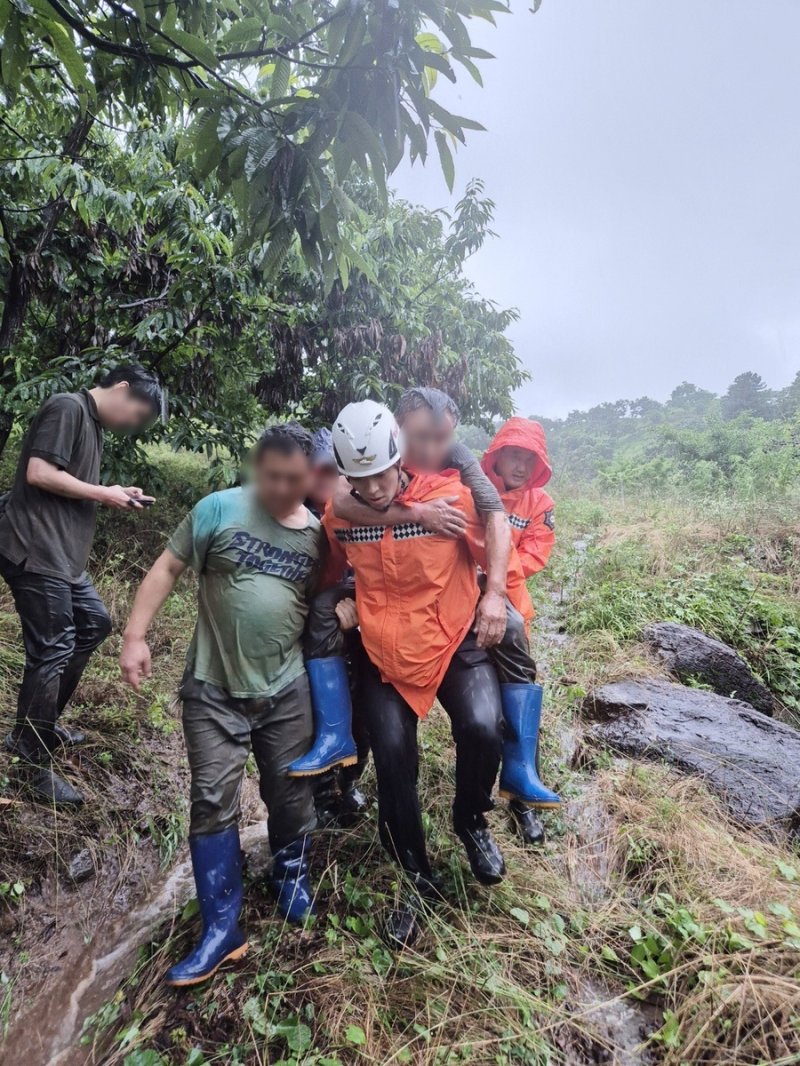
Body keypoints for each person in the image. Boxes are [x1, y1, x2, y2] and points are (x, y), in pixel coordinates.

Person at [308, 399, 524, 948]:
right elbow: (331, 557)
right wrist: (338, 602)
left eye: (382, 472)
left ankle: (471, 820)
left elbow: (497, 527)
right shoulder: (343, 514)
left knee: (481, 726)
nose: (375, 487)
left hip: (451, 637)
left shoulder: (447, 497)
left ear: (400, 456)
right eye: (361, 477)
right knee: (393, 759)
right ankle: (416, 876)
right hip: (385, 650)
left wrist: (494, 595)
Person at [119, 424, 322, 987]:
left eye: (293, 478)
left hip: (286, 689)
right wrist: (136, 636)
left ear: (309, 474)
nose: (282, 487)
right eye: (272, 475)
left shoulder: (317, 536)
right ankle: (221, 925)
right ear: (259, 467)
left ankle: (290, 874)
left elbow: (326, 602)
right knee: (211, 797)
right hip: (212, 688)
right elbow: (166, 568)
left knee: (289, 790)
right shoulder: (217, 509)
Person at [0, 364, 163, 805]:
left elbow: (69, 481)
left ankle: (38, 728)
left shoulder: (93, 426)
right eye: (136, 413)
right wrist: (102, 493)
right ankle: (30, 764)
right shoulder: (67, 408)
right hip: (36, 549)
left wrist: (113, 490)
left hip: (63, 558)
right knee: (52, 647)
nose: (133, 423)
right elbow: (38, 472)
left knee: (94, 622)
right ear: (122, 389)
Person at [480, 417, 559, 845]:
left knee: (521, 699)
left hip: (513, 611)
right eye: (515, 455)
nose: (522, 466)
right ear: (497, 454)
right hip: (460, 607)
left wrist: (495, 569)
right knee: (481, 709)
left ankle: (523, 801)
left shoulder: (540, 503)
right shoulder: (472, 487)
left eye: (530, 459)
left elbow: (536, 554)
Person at [304, 426, 368, 827]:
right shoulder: (294, 517)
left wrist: (362, 611)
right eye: (318, 471)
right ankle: (323, 791)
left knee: (364, 710)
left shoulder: (364, 509)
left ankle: (350, 779)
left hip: (363, 628)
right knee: (318, 713)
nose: (327, 480)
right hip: (311, 638)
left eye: (334, 471)